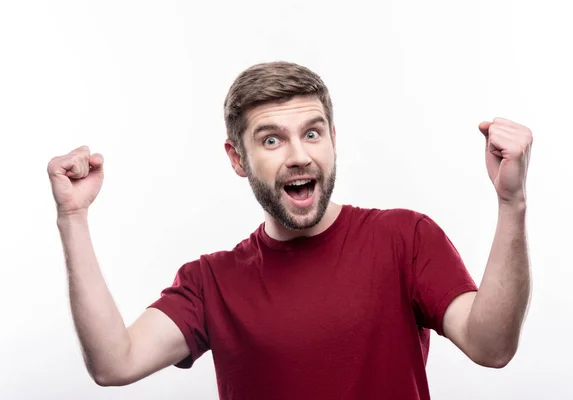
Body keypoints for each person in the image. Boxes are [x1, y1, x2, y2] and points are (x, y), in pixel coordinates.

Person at [47, 61, 533, 399]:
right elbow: (115, 363)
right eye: (272, 139)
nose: (299, 154)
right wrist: (72, 218)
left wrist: (511, 203)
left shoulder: (404, 239)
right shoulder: (209, 282)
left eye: (313, 133)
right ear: (238, 159)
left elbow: (491, 347)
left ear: (334, 140)